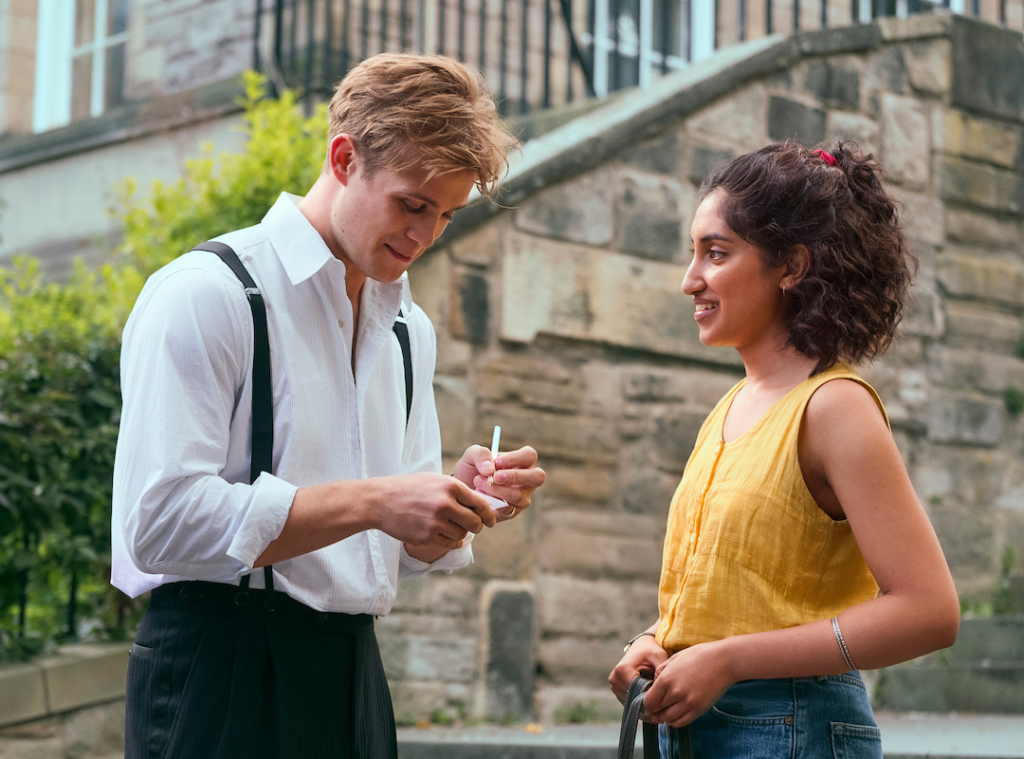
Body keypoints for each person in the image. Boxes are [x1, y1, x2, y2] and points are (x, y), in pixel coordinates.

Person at [112, 53, 545, 759]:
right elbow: (156, 525)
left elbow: (400, 548)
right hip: (218, 669)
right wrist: (377, 500)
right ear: (344, 158)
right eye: (412, 204)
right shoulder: (207, 293)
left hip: (354, 674)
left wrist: (448, 506)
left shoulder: (409, 328)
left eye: (445, 215)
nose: (426, 235)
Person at [608, 141, 959, 758]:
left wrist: (729, 660)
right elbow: (746, 590)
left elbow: (929, 610)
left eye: (716, 253)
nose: (691, 280)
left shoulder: (835, 405)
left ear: (791, 266)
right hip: (694, 734)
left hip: (792, 732)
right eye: (693, 254)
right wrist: (660, 638)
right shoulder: (731, 405)